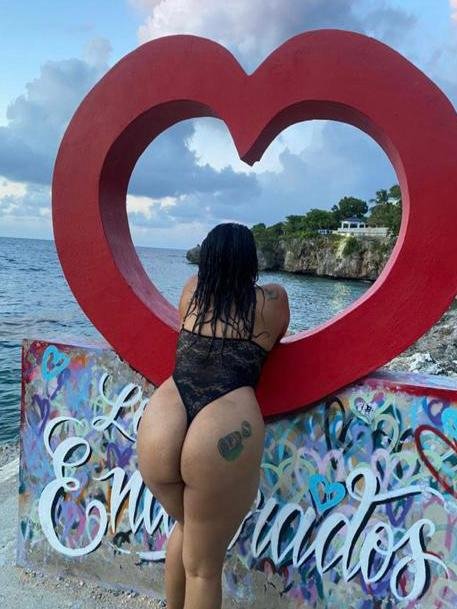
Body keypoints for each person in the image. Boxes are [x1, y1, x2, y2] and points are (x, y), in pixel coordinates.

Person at [136, 222, 291, 609]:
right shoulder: (273, 300)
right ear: (250, 260)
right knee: (204, 569)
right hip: (222, 427)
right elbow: (278, 337)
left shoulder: (192, 290)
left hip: (162, 420)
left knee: (187, 528)